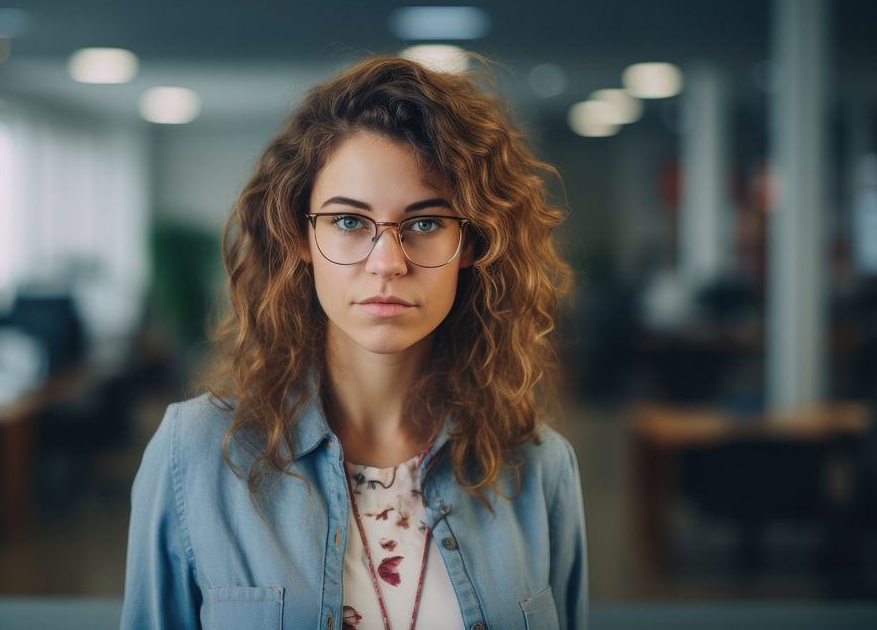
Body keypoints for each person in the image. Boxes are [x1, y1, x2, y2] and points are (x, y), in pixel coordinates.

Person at [121, 54, 588, 629]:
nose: (387, 263)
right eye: (348, 221)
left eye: (424, 223)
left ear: (470, 244)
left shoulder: (539, 468)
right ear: (300, 236)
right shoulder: (193, 455)